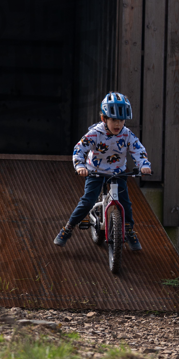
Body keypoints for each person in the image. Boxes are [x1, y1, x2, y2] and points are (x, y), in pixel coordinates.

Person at [54, 92, 152, 250]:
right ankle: (68, 228)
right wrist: (80, 166)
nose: (117, 124)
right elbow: (79, 149)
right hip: (95, 172)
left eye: (121, 120)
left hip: (118, 173)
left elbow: (138, 150)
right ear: (104, 119)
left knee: (125, 204)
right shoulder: (95, 133)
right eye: (113, 120)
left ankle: (128, 230)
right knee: (88, 201)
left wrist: (144, 165)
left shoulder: (127, 134)